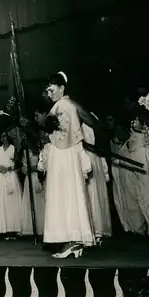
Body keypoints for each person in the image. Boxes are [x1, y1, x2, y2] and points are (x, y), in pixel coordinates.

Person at [37, 71, 95, 258]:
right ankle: (72, 240)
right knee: (69, 195)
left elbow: (62, 137)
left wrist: (48, 133)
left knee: (64, 196)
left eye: (52, 89)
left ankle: (72, 240)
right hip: (65, 155)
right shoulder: (65, 105)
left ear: (62, 88)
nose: (49, 92)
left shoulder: (63, 105)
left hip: (63, 156)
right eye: (47, 90)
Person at [82, 121, 112, 244]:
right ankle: (94, 231)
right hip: (91, 156)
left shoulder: (89, 119)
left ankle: (95, 231)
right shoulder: (91, 118)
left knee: (91, 193)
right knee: (91, 193)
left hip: (89, 156)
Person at [0, 130, 23, 240]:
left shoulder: (13, 149)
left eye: (4, 136)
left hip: (11, 175)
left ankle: (13, 229)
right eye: (1, 137)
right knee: (2, 201)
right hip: (0, 177)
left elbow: (19, 163)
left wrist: (9, 168)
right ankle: (3, 229)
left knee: (12, 202)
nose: (3, 138)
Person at [20, 141, 46, 237]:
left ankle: (41, 227)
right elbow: (24, 167)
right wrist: (26, 168)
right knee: (28, 201)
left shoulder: (40, 151)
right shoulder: (25, 152)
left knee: (39, 201)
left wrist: (33, 168)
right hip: (29, 178)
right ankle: (29, 228)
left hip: (37, 177)